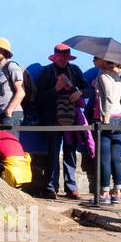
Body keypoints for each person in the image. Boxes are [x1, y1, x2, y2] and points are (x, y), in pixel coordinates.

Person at [34, 43, 88, 199]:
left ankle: (71, 187)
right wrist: (56, 89)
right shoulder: (47, 73)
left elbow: (88, 89)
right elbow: (39, 98)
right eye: (60, 58)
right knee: (53, 153)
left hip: (71, 119)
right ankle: (51, 187)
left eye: (65, 58)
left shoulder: (75, 71)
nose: (63, 61)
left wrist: (79, 93)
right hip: (52, 119)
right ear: (55, 58)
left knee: (70, 153)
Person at [92, 57, 121, 205]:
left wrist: (105, 116)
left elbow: (108, 97)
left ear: (104, 60)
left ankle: (105, 192)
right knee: (115, 157)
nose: (93, 61)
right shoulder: (117, 75)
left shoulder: (104, 75)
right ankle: (117, 191)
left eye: (96, 59)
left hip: (107, 118)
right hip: (119, 117)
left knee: (104, 158)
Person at [0, 37, 25, 135]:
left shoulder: (12, 66)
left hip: (11, 115)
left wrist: (9, 111)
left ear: (5, 53)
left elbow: (21, 92)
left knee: (11, 147)